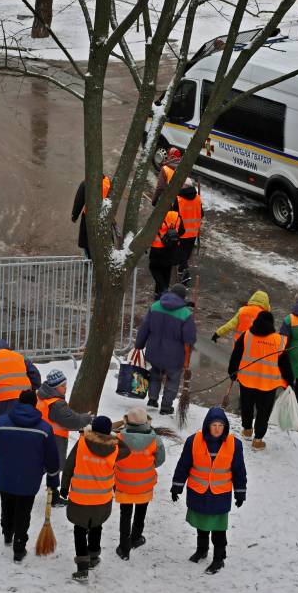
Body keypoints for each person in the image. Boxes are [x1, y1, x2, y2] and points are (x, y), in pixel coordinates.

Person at [0, 390, 61, 562]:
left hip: (5, 475)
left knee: (6, 504)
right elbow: (52, 456)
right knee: (24, 512)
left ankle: (7, 533)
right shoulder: (44, 428)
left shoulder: (2, 422)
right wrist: (53, 478)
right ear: (34, 405)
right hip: (29, 480)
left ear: (18, 402)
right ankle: (19, 547)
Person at [170, 407, 247, 574]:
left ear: (225, 426)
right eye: (214, 425)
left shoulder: (235, 445)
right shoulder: (193, 441)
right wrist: (177, 486)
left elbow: (239, 470)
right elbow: (183, 465)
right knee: (201, 526)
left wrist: (240, 493)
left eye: (221, 425)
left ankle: (219, 559)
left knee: (219, 530)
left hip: (219, 494)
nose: (217, 428)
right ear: (207, 426)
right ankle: (202, 550)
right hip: (199, 492)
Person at [61, 415, 130, 582]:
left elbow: (69, 464)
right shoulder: (114, 449)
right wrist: (114, 437)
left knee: (80, 529)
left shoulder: (82, 442)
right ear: (108, 432)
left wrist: (64, 487)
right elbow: (127, 450)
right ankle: (93, 556)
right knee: (96, 526)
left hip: (80, 497)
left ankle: (82, 568)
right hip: (102, 498)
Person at [228, 310, 293, 450]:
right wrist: (290, 381)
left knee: (246, 405)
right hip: (268, 385)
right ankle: (258, 440)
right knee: (263, 412)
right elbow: (285, 364)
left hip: (247, 381)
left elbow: (236, 355)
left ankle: (246, 430)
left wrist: (232, 373)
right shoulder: (279, 340)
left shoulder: (247, 335)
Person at [135, 283, 196, 416]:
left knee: (155, 375)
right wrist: (187, 358)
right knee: (173, 379)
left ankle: (152, 399)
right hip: (174, 356)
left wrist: (139, 345)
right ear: (183, 297)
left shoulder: (155, 306)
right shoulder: (186, 314)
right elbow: (189, 339)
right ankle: (166, 407)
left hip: (154, 351)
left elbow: (144, 327)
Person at [36, 369, 93, 506]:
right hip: (55, 440)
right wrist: (87, 418)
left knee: (41, 466)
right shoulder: (56, 403)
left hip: (41, 437)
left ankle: (35, 489)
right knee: (53, 468)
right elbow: (71, 420)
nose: (65, 388)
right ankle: (54, 497)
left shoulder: (42, 396)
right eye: (63, 385)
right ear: (55, 387)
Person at [114, 407, 165, 560]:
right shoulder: (155, 440)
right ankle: (136, 538)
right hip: (145, 485)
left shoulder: (118, 438)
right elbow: (160, 460)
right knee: (141, 512)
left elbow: (112, 457)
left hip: (123, 484)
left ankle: (124, 548)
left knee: (125, 514)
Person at [70, 174, 112, 259]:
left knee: (87, 240)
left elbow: (79, 200)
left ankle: (89, 258)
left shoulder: (87, 183)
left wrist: (74, 216)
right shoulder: (108, 183)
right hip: (104, 216)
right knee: (101, 239)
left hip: (88, 216)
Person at [148, 205, 184, 299]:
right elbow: (182, 231)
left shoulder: (158, 217)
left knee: (154, 268)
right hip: (171, 249)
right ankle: (160, 294)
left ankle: (163, 290)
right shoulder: (177, 216)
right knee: (166, 270)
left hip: (157, 249)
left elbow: (149, 232)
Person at [176, 178, 202, 286]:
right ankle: (182, 269)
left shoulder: (178, 199)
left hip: (181, 232)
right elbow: (202, 214)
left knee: (181, 254)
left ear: (184, 186)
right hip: (193, 232)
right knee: (186, 253)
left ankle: (184, 273)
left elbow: (173, 214)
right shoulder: (198, 199)